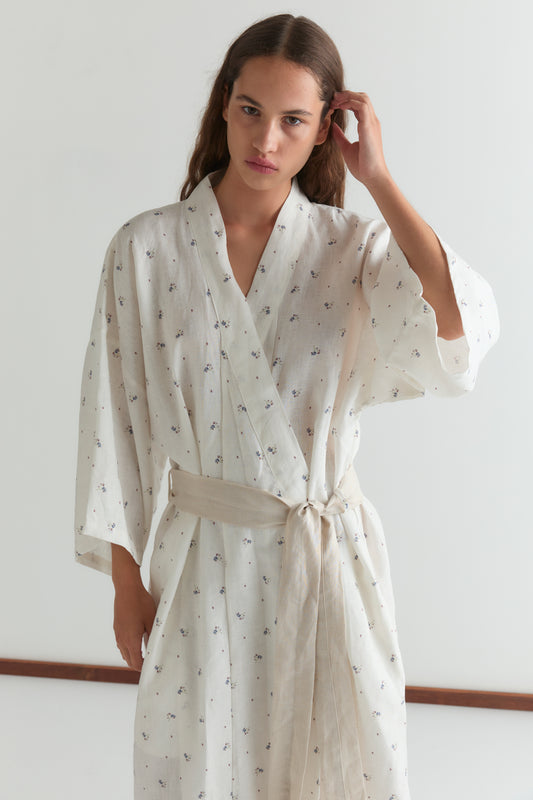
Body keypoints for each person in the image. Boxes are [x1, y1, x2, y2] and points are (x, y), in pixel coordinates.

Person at [75, 13, 499, 800]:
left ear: (325, 130)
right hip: (202, 563)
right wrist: (124, 584)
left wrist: (378, 179)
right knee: (198, 772)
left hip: (327, 563)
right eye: (249, 110)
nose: (265, 138)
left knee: (341, 772)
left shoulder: (351, 250)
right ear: (222, 108)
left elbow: (455, 325)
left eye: (293, 120)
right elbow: (116, 422)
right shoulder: (147, 249)